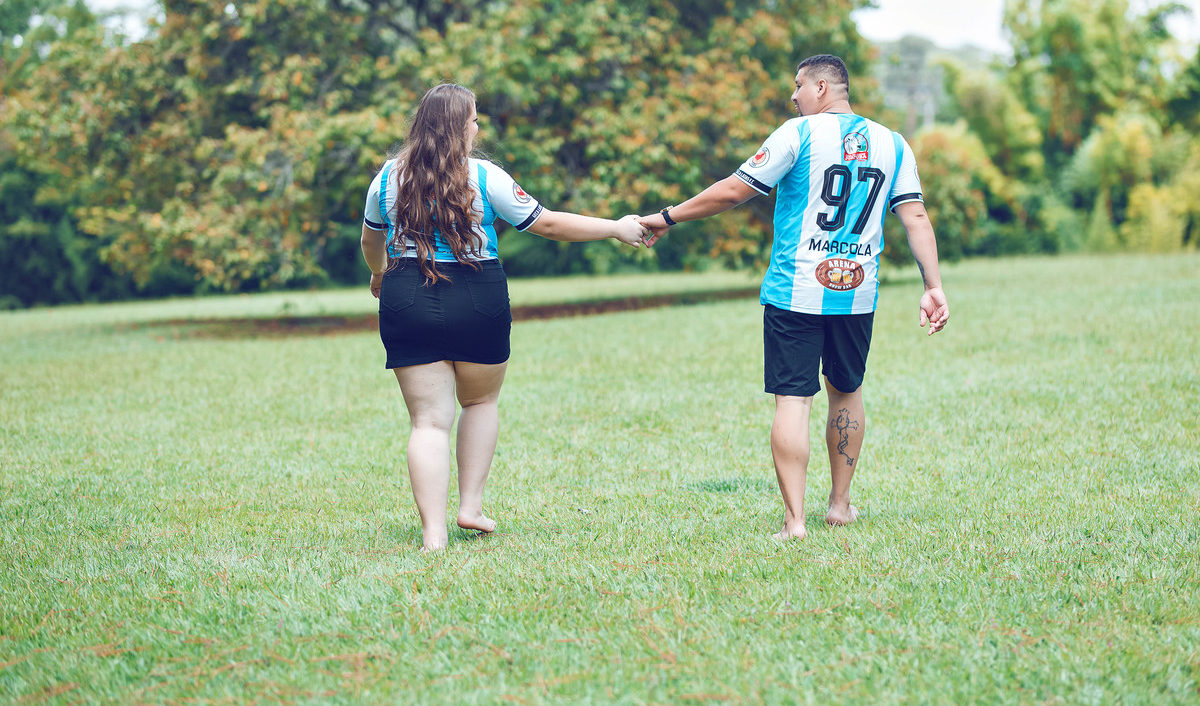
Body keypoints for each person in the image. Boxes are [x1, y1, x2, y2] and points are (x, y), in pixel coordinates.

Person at [638, 54, 949, 541]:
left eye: (799, 86)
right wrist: (933, 285)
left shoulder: (797, 133)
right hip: (856, 293)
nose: (794, 96)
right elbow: (916, 218)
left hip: (794, 290)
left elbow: (734, 191)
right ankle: (840, 506)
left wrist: (668, 216)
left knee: (793, 400)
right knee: (846, 391)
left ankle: (795, 522)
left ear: (822, 87)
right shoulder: (894, 143)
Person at [360, 83, 646, 552]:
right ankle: (470, 508)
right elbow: (546, 223)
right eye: (474, 119)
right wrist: (615, 228)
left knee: (428, 422)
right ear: (460, 127)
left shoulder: (387, 178)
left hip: (406, 295)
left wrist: (378, 274)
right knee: (479, 402)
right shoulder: (485, 176)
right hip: (477, 295)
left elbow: (371, 242)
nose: (477, 126)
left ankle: (434, 536)